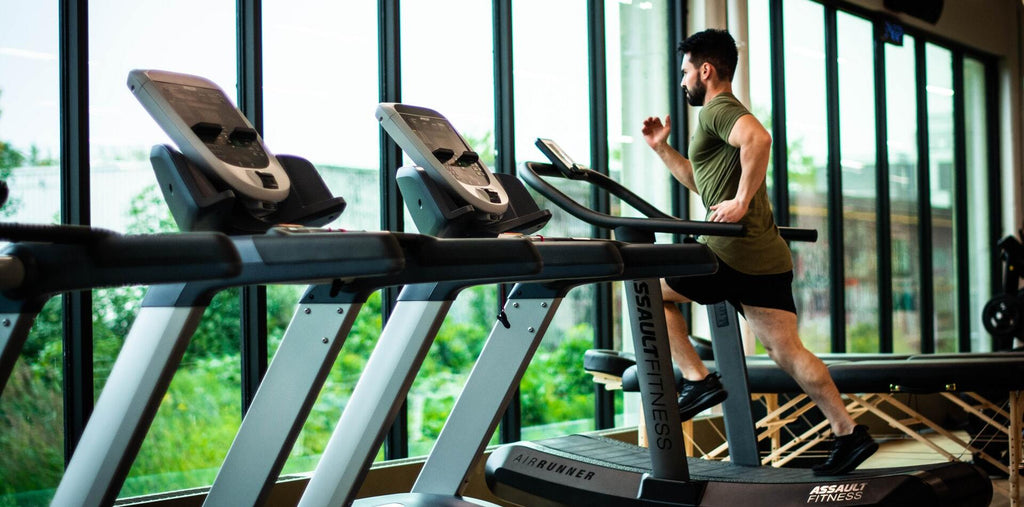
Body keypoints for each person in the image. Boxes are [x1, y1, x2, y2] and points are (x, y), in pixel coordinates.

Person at [640, 28, 877, 476]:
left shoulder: (719, 110)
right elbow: (702, 182)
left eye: (686, 71)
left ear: (705, 70)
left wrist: (742, 202)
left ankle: (697, 380)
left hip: (727, 252)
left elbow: (760, 140)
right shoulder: (719, 117)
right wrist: (662, 149)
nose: (683, 81)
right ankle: (848, 432)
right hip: (765, 256)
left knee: (647, 289)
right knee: (788, 352)